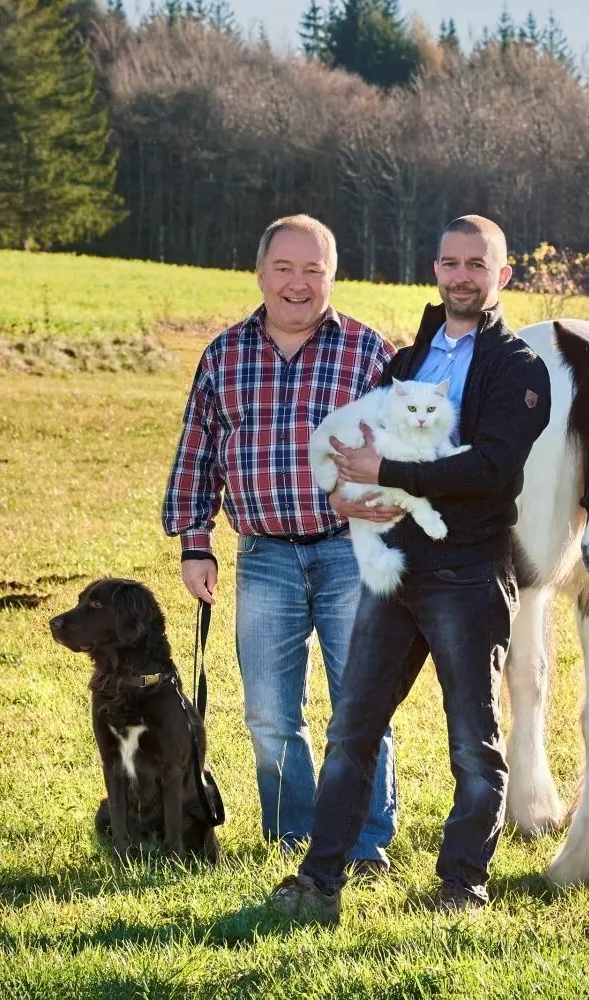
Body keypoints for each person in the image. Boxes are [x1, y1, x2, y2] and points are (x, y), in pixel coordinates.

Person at [267, 215, 551, 922]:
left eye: (476, 265)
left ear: (501, 276)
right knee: (352, 729)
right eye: (450, 263)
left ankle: (463, 884)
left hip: (467, 573)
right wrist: (345, 491)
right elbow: (356, 447)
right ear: (435, 269)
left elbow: (491, 469)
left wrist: (387, 469)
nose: (462, 276)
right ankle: (319, 880)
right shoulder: (404, 364)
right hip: (394, 568)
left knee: (470, 740)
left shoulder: (520, 369)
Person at [163, 214, 399, 876]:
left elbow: (409, 454)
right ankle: (294, 838)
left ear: (333, 276)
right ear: (262, 273)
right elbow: (198, 454)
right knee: (270, 714)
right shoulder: (223, 356)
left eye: (313, 270)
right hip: (263, 557)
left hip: (350, 553)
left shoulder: (366, 352)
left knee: (362, 707)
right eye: (285, 269)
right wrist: (196, 542)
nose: (298, 284)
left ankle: (363, 844)